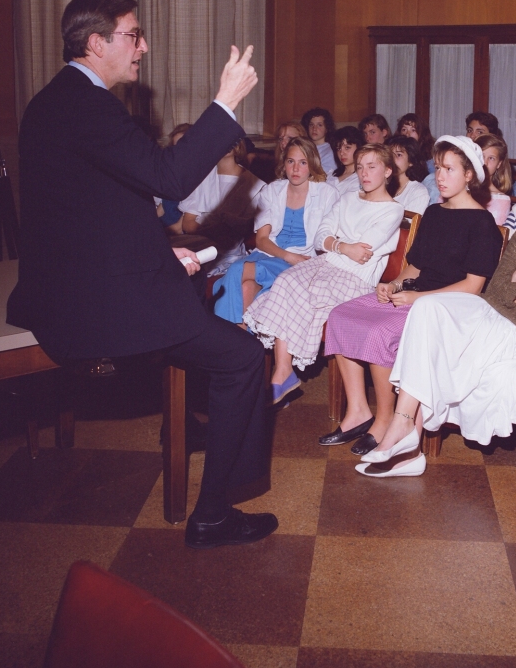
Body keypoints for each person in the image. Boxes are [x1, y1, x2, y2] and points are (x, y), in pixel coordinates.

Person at [6, 0, 276, 549]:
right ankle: (213, 514)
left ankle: (195, 434)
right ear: (96, 42)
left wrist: (158, 252)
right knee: (245, 358)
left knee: (206, 320)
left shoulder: (56, 100)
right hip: (95, 302)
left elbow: (92, 209)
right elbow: (168, 178)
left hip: (80, 280)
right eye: (134, 35)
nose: (144, 47)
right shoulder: (88, 104)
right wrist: (224, 103)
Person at [359, 149, 516, 478]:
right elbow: (497, 291)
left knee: (441, 345)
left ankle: (405, 438)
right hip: (503, 316)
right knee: (428, 307)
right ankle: (405, 432)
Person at [320, 137, 501, 459]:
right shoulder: (433, 213)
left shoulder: (482, 222)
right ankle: (359, 410)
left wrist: (419, 298)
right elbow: (415, 266)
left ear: (469, 175)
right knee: (341, 315)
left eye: (449, 169)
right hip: (415, 294)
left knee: (378, 331)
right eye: (439, 168)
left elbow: (473, 286)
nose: (441, 176)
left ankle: (386, 420)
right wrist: (393, 284)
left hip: (448, 307)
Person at [244, 144, 405, 404]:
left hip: (357, 278)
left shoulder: (392, 209)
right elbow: (321, 236)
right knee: (286, 281)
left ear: (387, 171)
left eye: (372, 167)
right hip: (328, 263)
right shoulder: (348, 197)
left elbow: (364, 250)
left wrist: (339, 242)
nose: (364, 173)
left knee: (308, 293)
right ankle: (283, 371)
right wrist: (343, 246)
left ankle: (281, 375)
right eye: (361, 166)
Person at [213, 138, 338, 324]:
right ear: (284, 163)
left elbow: (327, 239)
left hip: (303, 261)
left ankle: (225, 342)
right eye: (290, 161)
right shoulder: (272, 190)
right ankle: (242, 344)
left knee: (235, 272)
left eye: (302, 162)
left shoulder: (327, 193)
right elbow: (262, 240)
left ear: (312, 164)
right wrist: (287, 256)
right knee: (246, 288)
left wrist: (295, 259)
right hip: (270, 255)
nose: (295, 169)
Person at [180, 138, 265, 276]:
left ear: (237, 145)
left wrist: (210, 226)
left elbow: (235, 231)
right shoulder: (201, 179)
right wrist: (212, 229)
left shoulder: (254, 184)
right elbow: (188, 224)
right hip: (198, 243)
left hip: (228, 249)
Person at [155, 123, 192, 234]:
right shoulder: (173, 173)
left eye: (184, 146)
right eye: (176, 147)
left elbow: (178, 228)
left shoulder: (200, 177)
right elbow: (162, 208)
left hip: (177, 232)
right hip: (164, 226)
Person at [386, 134, 431, 214]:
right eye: (389, 155)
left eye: (398, 155)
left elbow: (409, 224)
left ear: (411, 161)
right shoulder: (381, 185)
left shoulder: (418, 192)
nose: (392, 159)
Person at [475, 133, 512, 226]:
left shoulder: (502, 200)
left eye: (491, 158)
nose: (485, 162)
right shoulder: (456, 190)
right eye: (481, 156)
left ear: (498, 164)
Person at [327, 125, 365, 195]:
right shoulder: (331, 175)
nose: (341, 153)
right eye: (338, 149)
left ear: (359, 148)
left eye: (347, 148)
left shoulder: (362, 177)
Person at [301, 107, 337, 174]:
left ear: (327, 129)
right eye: (311, 125)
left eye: (319, 125)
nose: (314, 128)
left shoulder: (329, 152)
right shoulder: (303, 147)